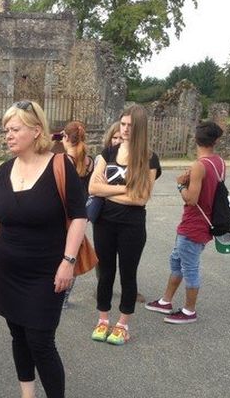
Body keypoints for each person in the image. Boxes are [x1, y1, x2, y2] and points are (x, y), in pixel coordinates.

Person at [0, 100, 86, 398]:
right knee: (18, 334)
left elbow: (79, 215)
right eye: (6, 130)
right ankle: (27, 395)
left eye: (14, 129)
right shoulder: (4, 171)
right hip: (8, 269)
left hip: (46, 271)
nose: (8, 135)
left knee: (40, 340)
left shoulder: (59, 164)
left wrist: (68, 261)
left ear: (36, 130)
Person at [88, 104, 161, 345]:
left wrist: (107, 192)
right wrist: (124, 189)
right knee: (105, 273)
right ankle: (103, 319)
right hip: (104, 223)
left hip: (132, 226)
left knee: (128, 274)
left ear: (140, 128)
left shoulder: (149, 158)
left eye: (131, 125)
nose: (126, 129)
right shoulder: (109, 152)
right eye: (123, 124)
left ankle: (122, 324)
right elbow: (92, 187)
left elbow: (140, 198)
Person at [145, 122, 224, 324]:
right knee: (177, 260)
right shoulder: (219, 162)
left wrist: (180, 184)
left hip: (194, 225)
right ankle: (166, 301)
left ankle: (189, 311)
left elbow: (191, 199)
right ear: (215, 141)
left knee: (190, 267)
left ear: (195, 140)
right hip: (204, 223)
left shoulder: (199, 165)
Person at [60, 121, 93, 308]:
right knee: (73, 255)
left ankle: (56, 294)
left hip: (65, 215)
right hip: (82, 214)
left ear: (65, 137)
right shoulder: (90, 161)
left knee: (59, 253)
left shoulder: (64, 161)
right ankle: (65, 298)